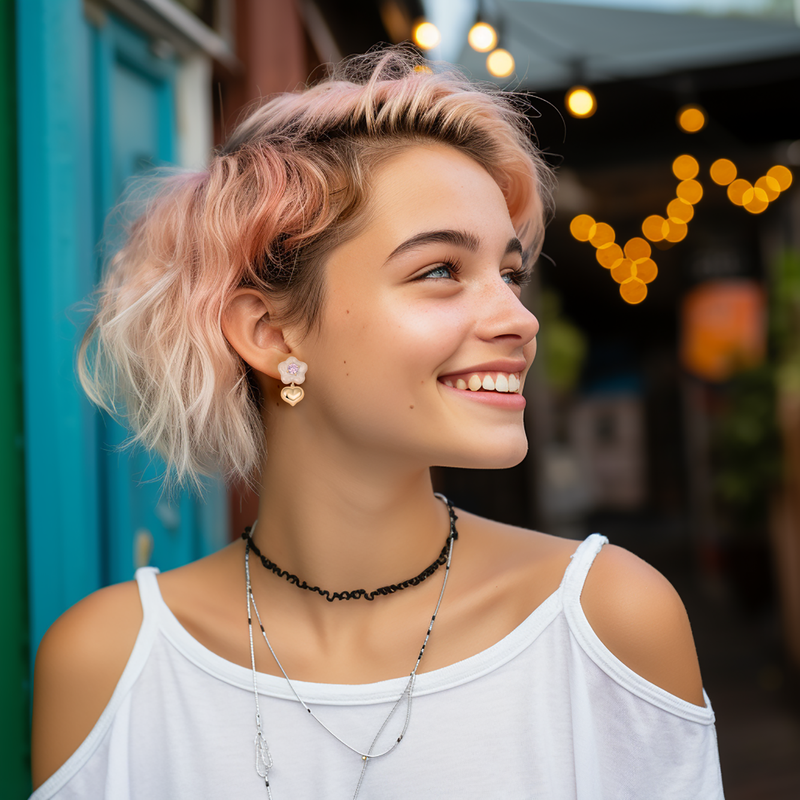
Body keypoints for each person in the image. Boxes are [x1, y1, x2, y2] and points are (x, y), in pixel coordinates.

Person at [30, 47, 724, 799]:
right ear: (269, 333)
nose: (518, 319)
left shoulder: (608, 622)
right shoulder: (111, 663)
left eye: (510, 272)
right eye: (440, 271)